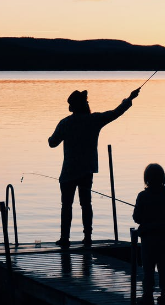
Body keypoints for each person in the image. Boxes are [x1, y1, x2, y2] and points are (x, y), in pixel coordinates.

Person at [49, 87, 140, 247]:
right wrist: (129, 99)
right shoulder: (94, 120)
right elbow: (116, 113)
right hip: (86, 171)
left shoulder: (65, 123)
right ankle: (88, 237)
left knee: (66, 206)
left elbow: (52, 143)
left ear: (72, 107)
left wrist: (53, 136)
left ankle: (64, 238)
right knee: (86, 204)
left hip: (69, 172)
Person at [133, 164, 165, 305]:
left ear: (147, 179)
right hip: (164, 237)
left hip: (148, 238)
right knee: (164, 266)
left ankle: (147, 296)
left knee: (148, 268)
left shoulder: (143, 196)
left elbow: (137, 218)